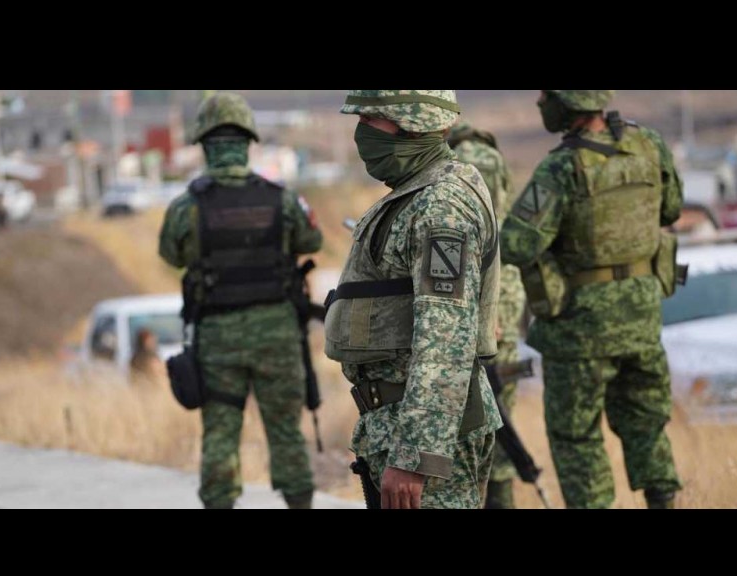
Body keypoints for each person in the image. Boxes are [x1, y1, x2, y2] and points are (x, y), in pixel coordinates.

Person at [500, 90, 683, 509]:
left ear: (567, 102)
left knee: (576, 436)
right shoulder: (649, 146)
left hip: (580, 332)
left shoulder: (562, 166)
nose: (540, 102)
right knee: (646, 423)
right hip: (642, 321)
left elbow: (516, 243)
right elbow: (671, 209)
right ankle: (664, 502)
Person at [325, 90, 502, 509]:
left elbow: (446, 339)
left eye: (371, 120)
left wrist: (416, 457)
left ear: (412, 123)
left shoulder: (442, 205)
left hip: (426, 436)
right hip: (400, 423)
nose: (361, 132)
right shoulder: (418, 193)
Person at [159, 92, 323, 509]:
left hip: (218, 338)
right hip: (278, 334)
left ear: (204, 144)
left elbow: (171, 255)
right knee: (285, 431)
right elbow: (312, 241)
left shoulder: (187, 207)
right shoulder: (282, 198)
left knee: (220, 432)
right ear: (249, 142)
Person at [447, 120, 526, 509]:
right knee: (503, 418)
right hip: (505, 302)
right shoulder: (497, 159)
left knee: (463, 425)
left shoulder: (454, 160)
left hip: (473, 301)